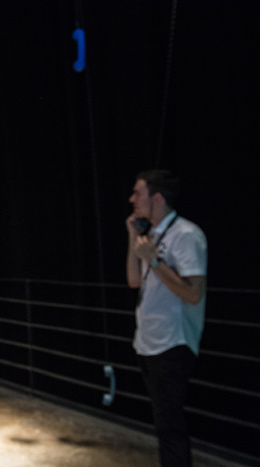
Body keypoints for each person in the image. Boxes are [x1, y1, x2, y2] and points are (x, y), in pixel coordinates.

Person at [125, 170, 207, 467]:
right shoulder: (153, 234)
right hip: (150, 341)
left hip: (172, 343)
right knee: (163, 423)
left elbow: (193, 293)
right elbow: (134, 280)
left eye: (138, 193)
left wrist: (155, 260)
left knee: (170, 426)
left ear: (157, 198)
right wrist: (133, 238)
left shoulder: (186, 234)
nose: (132, 199)